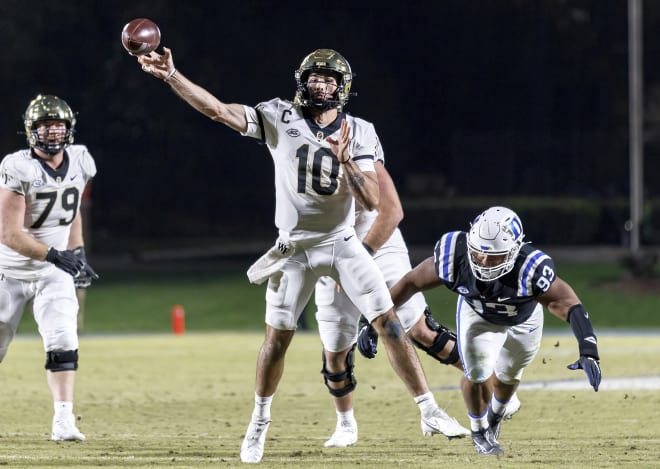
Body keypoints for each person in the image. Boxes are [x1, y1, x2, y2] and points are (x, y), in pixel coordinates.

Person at [135, 47, 469, 463]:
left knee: (389, 322)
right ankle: (258, 423)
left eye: (328, 79)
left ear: (342, 88)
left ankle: (429, 410)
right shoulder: (279, 116)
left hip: (341, 240)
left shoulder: (361, 131)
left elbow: (371, 203)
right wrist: (171, 75)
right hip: (294, 245)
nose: (320, 85)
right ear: (302, 81)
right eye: (314, 77)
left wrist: (347, 161)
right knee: (277, 340)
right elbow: (219, 110)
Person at [315, 155, 520, 448]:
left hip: (375, 240)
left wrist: (358, 259)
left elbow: (392, 212)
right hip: (329, 249)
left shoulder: (358, 139)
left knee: (419, 327)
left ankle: (478, 385)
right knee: (335, 351)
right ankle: (345, 424)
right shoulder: (294, 152)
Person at [389, 206, 602, 456]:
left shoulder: (529, 268)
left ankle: (495, 417)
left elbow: (569, 304)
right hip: (478, 317)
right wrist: (373, 321)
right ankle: (479, 431)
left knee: (509, 376)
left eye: (495, 257)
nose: (484, 262)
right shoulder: (454, 255)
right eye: (478, 254)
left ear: (514, 251)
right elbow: (410, 282)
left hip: (524, 321)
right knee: (476, 373)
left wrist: (589, 350)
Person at [0, 94, 98, 441]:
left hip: (52, 272)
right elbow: (9, 234)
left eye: (58, 124)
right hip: (9, 271)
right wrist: (57, 255)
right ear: (31, 130)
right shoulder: (17, 166)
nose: (53, 132)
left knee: (63, 339)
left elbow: (71, 218)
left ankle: (63, 420)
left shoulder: (81, 160)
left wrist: (79, 251)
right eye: (45, 125)